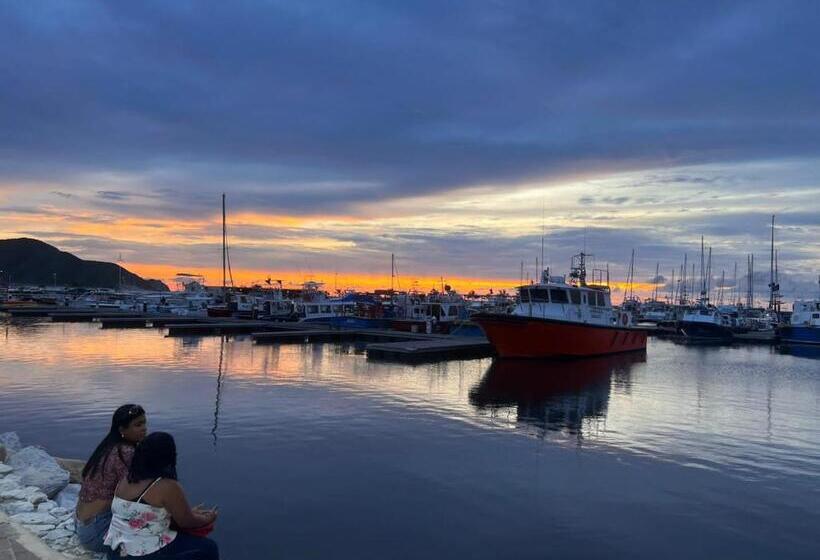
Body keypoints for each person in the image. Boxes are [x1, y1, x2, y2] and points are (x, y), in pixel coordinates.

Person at [105, 432, 219, 559]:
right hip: (140, 555)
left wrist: (189, 513)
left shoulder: (126, 479)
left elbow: (142, 515)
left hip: (115, 552)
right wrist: (208, 518)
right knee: (208, 547)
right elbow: (186, 522)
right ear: (169, 456)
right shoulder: (166, 485)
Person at [76, 404, 148, 553]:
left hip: (82, 524)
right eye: (138, 425)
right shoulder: (126, 453)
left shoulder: (108, 446)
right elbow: (135, 496)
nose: (144, 428)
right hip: (97, 533)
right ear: (122, 430)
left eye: (144, 423)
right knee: (158, 531)